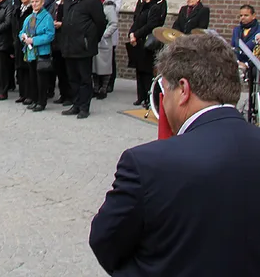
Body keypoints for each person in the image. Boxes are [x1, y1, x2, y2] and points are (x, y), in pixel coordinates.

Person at [89, 33, 260, 277]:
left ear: (183, 90)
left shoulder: (145, 163)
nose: (164, 100)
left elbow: (105, 241)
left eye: (164, 89)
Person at [59, 0, 106, 119]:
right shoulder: (67, 0)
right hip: (69, 46)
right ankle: (76, 104)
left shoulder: (91, 1)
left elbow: (101, 23)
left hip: (84, 47)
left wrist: (91, 40)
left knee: (84, 79)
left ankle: (84, 108)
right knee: (72, 78)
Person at [127, 0, 167, 108]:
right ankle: (141, 96)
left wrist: (137, 34)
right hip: (138, 40)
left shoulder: (155, 7)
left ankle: (149, 97)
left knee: (146, 70)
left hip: (146, 41)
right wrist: (131, 34)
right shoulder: (142, 5)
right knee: (139, 69)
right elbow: (136, 20)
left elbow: (151, 25)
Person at [19, 0, 56, 111]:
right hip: (30, 53)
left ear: (42, 2)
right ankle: (34, 99)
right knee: (32, 77)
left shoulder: (47, 17)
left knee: (41, 79)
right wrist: (23, 37)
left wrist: (34, 40)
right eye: (33, 1)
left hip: (42, 52)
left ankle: (42, 101)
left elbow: (50, 35)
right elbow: (21, 31)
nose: (34, 4)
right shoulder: (29, 17)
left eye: (37, 1)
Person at [91, 0, 118, 100]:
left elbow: (113, 23)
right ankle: (95, 88)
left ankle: (104, 88)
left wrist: (104, 34)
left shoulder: (108, 6)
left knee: (104, 65)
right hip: (93, 38)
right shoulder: (91, 5)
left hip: (104, 40)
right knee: (94, 65)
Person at [99, 0, 122, 93]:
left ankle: (110, 83)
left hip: (110, 32)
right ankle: (100, 84)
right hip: (100, 33)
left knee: (110, 58)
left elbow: (115, 9)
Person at [12, 0, 33, 104]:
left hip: (28, 42)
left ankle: (30, 94)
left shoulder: (31, 10)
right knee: (20, 69)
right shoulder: (19, 9)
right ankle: (22, 93)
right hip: (18, 41)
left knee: (28, 68)